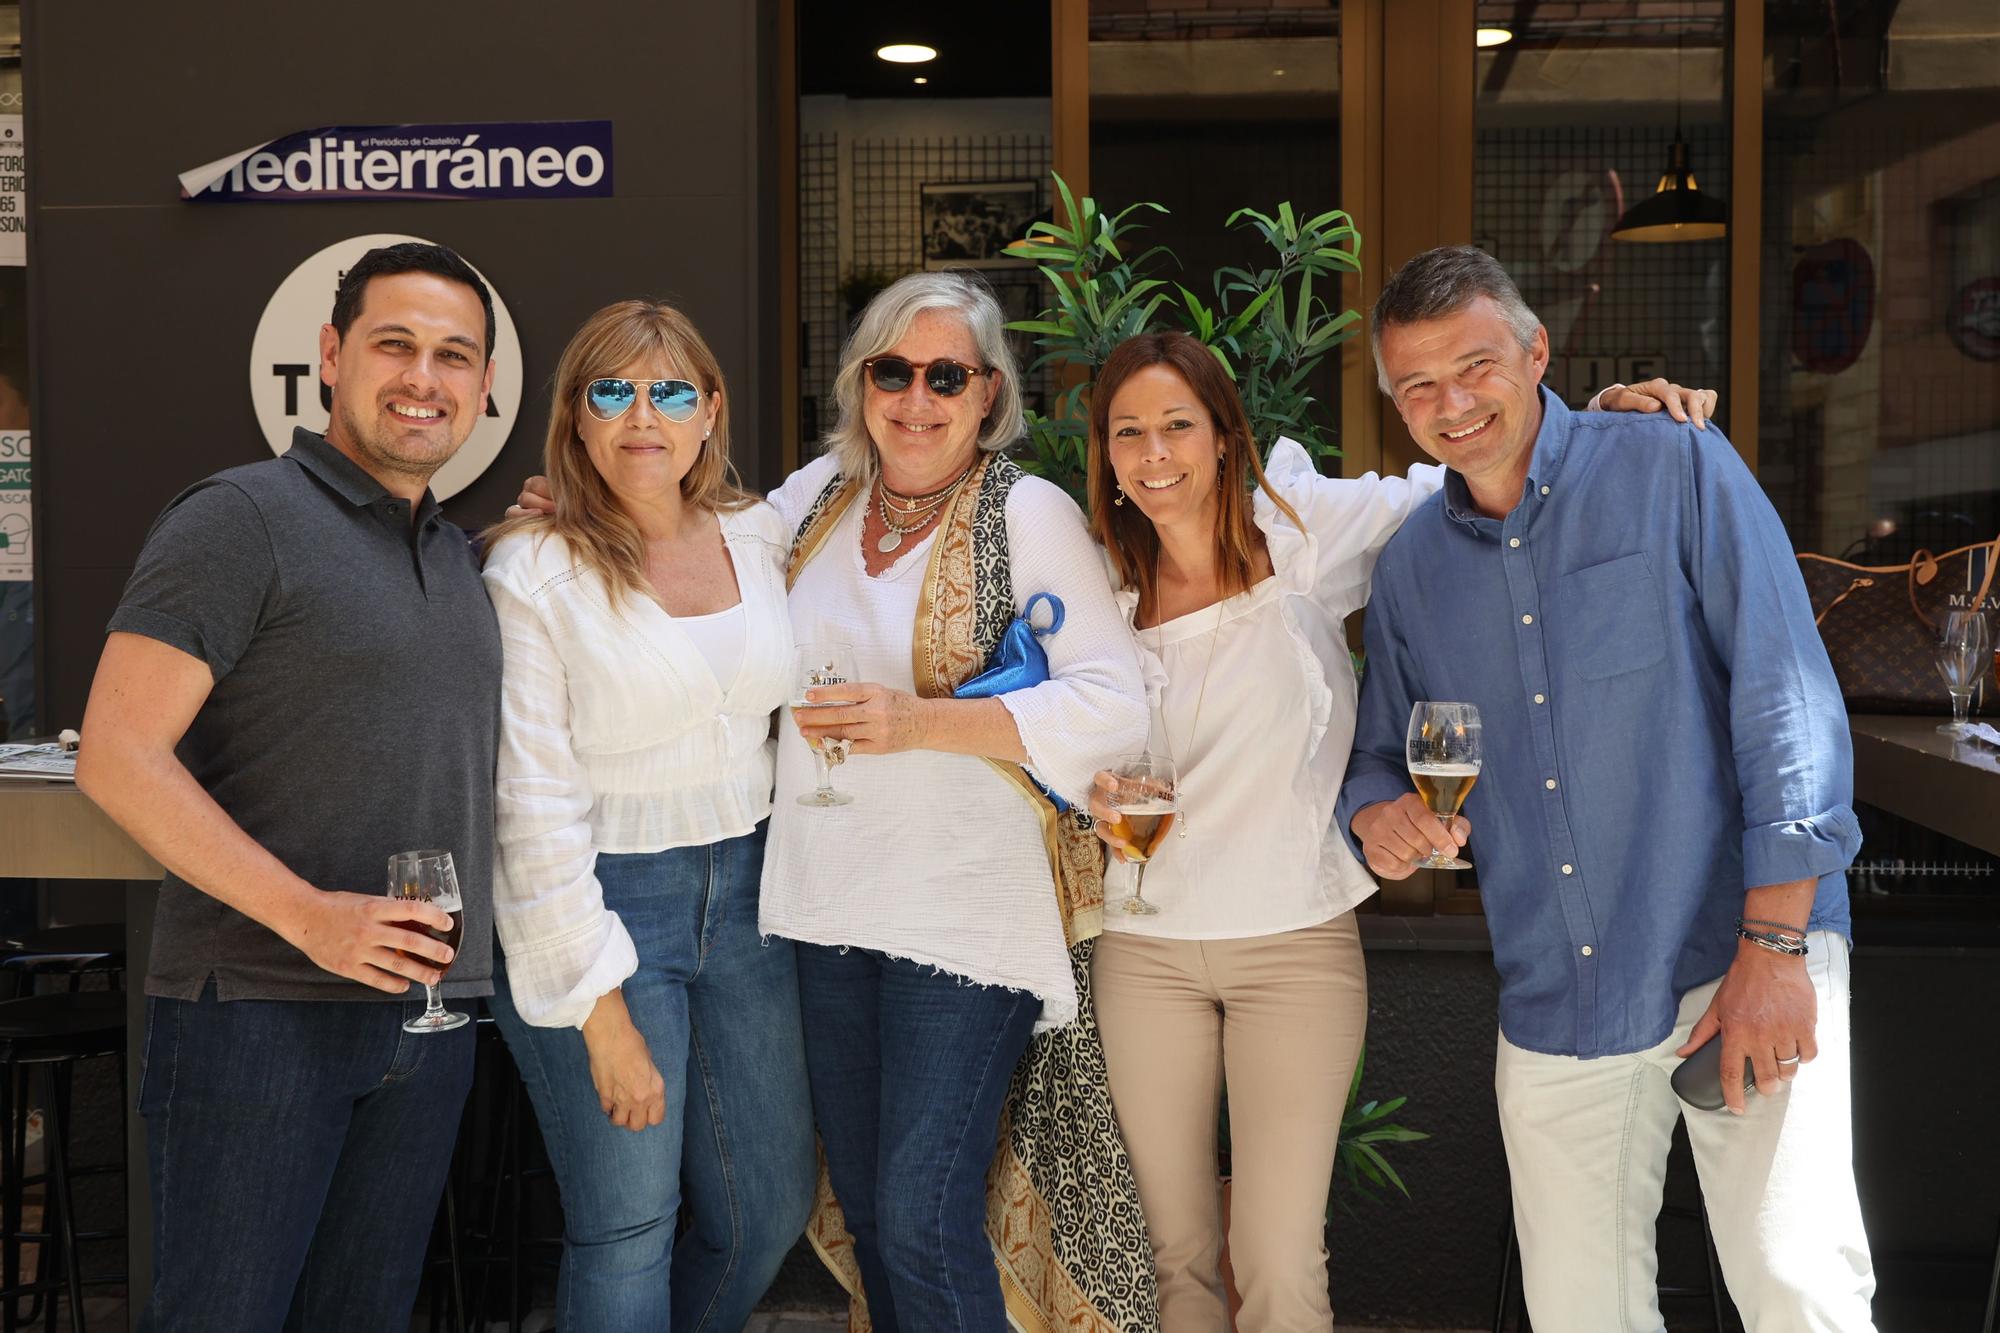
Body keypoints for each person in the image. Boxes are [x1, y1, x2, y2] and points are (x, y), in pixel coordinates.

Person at [1081, 331, 1710, 1332]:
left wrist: (1595, 427)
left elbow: (1465, 473)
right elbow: (1058, 737)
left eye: (1175, 426)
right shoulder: (1091, 590)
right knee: (1176, 1255)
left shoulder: (1299, 532)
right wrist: (1091, 792)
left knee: (1277, 1254)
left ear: (1222, 436)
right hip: (1142, 947)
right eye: (1127, 433)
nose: (1153, 452)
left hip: (1291, 945)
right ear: (1104, 456)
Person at [1338, 244, 1876, 1333]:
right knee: (1582, 1312)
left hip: (1733, 950)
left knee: (1794, 1285)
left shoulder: (1671, 465)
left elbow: (1785, 698)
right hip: (1558, 986)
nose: (1453, 403)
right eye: (1418, 386)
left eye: (1476, 365)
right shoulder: (1408, 572)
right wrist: (1375, 818)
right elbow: (1377, 759)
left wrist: (1773, 949)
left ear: (1536, 353)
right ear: (1396, 406)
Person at [76, 242, 502, 1331]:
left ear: (486, 387)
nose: (424, 376)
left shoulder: (458, 554)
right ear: (329, 356)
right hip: (256, 1015)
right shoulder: (240, 517)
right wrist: (309, 917)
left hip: (425, 1016)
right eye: (394, 344)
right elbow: (117, 754)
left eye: (454, 354)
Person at [766, 270, 1151, 1332]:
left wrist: (918, 722)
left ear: (988, 393)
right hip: (824, 901)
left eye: (947, 374)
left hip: (962, 912)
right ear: (860, 383)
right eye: (892, 370)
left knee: (923, 1211)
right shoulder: (813, 499)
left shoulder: (1025, 510)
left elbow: (1112, 704)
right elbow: (688, 569)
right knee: (875, 1215)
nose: (916, 395)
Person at [480, 300, 814, 1329]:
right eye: (610, 390)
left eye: (670, 390)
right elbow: (527, 799)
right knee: (627, 1222)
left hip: (752, 896)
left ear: (710, 410)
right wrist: (598, 1003)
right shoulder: (533, 567)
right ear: (573, 418)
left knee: (767, 1207)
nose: (641, 415)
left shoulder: (763, 534)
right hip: (607, 904)